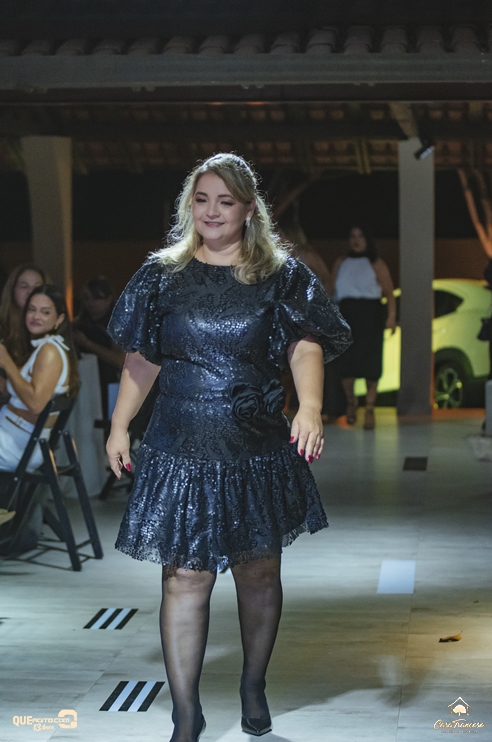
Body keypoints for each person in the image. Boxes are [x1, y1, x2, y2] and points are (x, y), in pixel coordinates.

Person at [106, 153, 351, 742]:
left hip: (254, 446)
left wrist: (310, 406)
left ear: (248, 209)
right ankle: (185, 714)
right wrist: (119, 425)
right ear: (188, 205)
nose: (212, 211)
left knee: (258, 572)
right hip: (180, 445)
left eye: (226, 201)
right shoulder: (161, 275)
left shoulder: (281, 274)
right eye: (202, 199)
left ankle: (253, 685)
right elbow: (141, 358)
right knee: (183, 578)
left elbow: (305, 344)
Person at [0, 284, 80, 472]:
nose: (36, 316)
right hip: (13, 436)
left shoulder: (50, 351)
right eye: (32, 309)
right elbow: (14, 391)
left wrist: (7, 362)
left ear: (59, 319)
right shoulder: (43, 347)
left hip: (18, 444)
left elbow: (36, 404)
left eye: (45, 312)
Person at [330, 224, 396, 430]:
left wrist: (391, 317)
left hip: (370, 315)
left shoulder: (376, 263)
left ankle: (369, 408)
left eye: (360, 236)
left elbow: (389, 292)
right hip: (347, 314)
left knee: (371, 363)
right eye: (352, 236)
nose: (356, 240)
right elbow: (332, 290)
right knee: (346, 362)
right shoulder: (341, 262)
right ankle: (351, 402)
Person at [72, 277, 125, 417]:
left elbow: (120, 360)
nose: (91, 303)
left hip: (107, 384)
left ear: (109, 299)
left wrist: (87, 343)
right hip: (82, 384)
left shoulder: (116, 324)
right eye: (86, 298)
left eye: (97, 298)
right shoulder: (78, 324)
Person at [0, 264, 47, 405]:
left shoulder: (48, 332)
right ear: (12, 290)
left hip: (27, 406)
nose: (30, 292)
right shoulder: (2, 323)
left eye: (37, 287)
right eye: (24, 286)